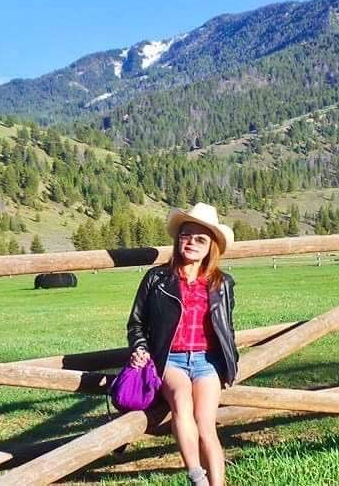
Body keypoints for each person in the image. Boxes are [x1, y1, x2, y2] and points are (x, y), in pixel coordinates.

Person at [126, 202, 238, 486]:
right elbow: (136, 322)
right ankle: (197, 477)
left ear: (211, 246)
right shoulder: (157, 278)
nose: (191, 243)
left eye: (200, 239)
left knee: (206, 424)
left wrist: (230, 363)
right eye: (186, 235)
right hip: (170, 360)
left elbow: (227, 328)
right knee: (180, 401)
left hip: (206, 360)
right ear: (178, 239)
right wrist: (140, 349)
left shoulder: (221, 283)